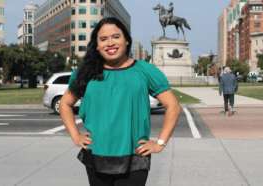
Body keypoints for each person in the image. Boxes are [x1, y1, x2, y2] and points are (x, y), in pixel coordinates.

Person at [59, 17, 181, 186]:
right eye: (103, 39)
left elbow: (173, 106)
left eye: (116, 36)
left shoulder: (145, 70)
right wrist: (75, 136)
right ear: (96, 45)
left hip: (135, 158)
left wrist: (160, 143)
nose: (110, 43)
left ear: (126, 40)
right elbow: (64, 104)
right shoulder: (86, 72)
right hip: (96, 155)